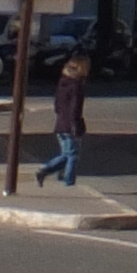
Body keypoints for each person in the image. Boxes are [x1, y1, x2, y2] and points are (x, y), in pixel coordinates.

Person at [48, 42, 89, 190]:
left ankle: (55, 173)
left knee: (66, 153)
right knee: (72, 155)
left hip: (60, 124)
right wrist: (76, 126)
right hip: (70, 125)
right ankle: (67, 181)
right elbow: (75, 108)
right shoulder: (77, 86)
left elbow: (57, 106)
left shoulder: (62, 84)